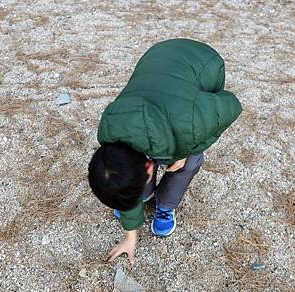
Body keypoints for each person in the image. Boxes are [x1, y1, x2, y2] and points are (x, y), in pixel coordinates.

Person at [88, 38, 242, 264]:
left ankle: (165, 205)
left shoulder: (190, 124)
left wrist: (186, 151)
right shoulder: (108, 129)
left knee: (189, 161)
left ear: (150, 166)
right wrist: (130, 236)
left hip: (203, 62)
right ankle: (143, 193)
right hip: (157, 57)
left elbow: (231, 104)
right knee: (133, 173)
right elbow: (121, 175)